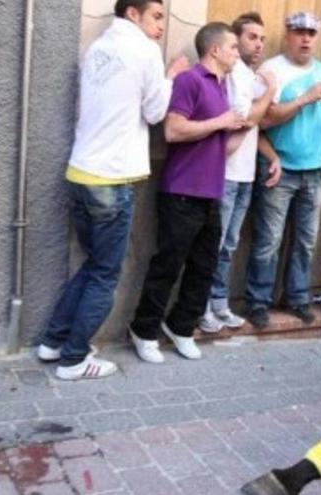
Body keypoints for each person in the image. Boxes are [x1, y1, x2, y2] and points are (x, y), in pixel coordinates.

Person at [37, 0, 188, 380]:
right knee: (105, 274)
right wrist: (170, 78)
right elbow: (155, 114)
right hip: (112, 179)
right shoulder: (145, 50)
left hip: (80, 172)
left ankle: (53, 342)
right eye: (156, 17)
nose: (161, 26)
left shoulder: (97, 49)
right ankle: (73, 360)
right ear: (132, 14)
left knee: (94, 266)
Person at [129, 23, 244, 363]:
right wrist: (220, 122)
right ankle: (143, 329)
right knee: (168, 265)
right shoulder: (190, 80)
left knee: (203, 267)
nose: (237, 53)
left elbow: (218, 144)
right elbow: (174, 130)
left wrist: (243, 126)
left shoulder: (222, 88)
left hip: (210, 193)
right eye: (233, 47)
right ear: (215, 50)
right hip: (180, 192)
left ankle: (181, 327)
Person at [244, 11, 321, 328]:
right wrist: (304, 98)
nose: (306, 38)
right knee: (268, 241)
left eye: (311, 33)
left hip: (315, 169)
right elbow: (263, 120)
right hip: (280, 168)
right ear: (288, 34)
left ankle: (298, 298)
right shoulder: (272, 70)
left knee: (306, 241)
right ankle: (257, 302)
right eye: (299, 31)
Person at [199, 12, 278, 333]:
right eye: (250, 37)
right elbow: (246, 119)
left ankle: (219, 304)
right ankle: (201, 307)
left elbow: (256, 127)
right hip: (226, 173)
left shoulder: (250, 75)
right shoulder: (234, 75)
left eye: (261, 38)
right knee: (215, 244)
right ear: (233, 41)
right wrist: (270, 92)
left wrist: (273, 156)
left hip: (246, 174)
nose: (258, 44)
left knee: (229, 244)